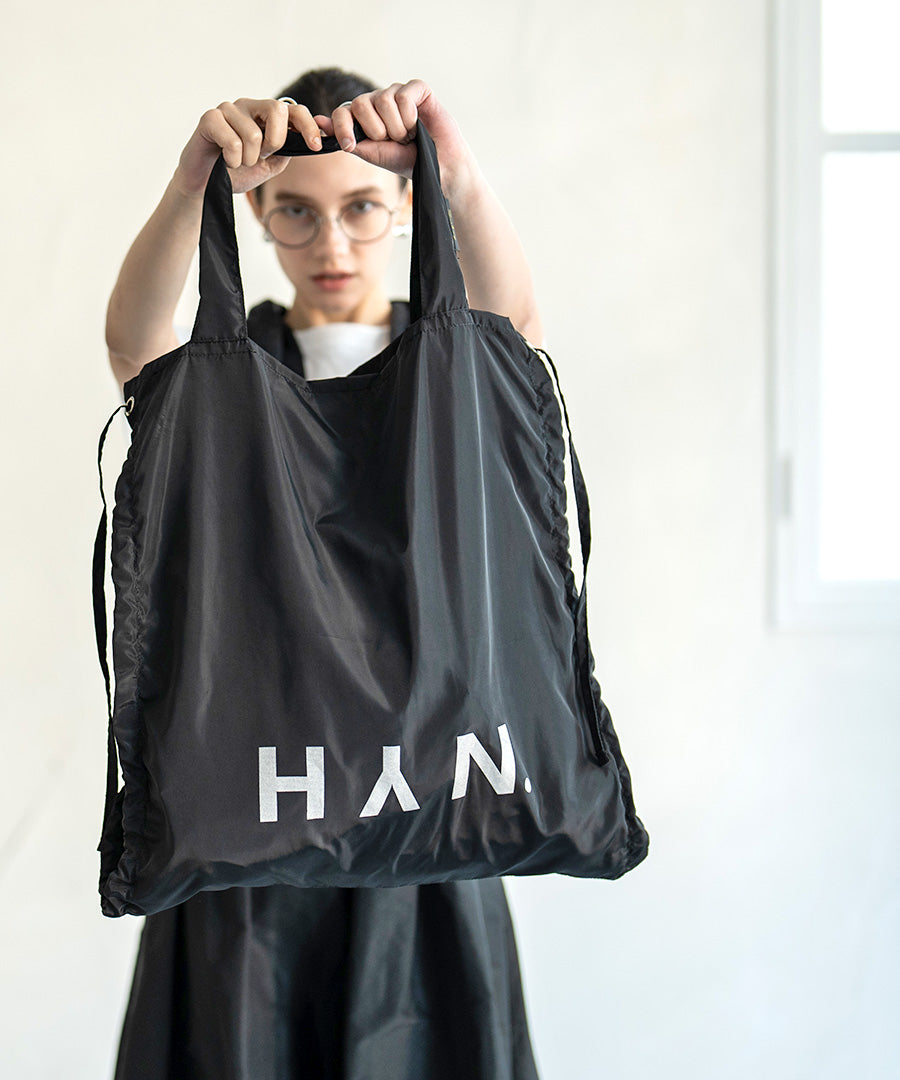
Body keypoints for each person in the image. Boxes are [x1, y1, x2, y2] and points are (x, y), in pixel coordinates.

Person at [105, 68, 542, 1080]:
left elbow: (518, 327)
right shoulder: (229, 365)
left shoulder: (451, 364)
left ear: (402, 210)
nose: (332, 245)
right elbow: (133, 344)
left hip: (423, 798)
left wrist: (452, 172)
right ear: (259, 215)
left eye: (361, 209)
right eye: (296, 212)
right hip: (255, 801)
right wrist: (191, 184)